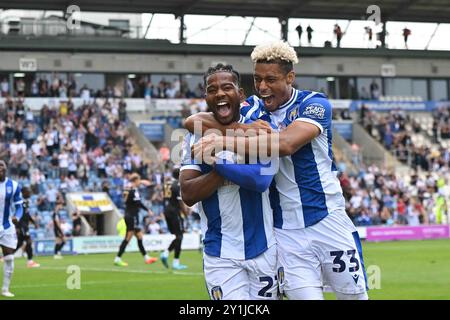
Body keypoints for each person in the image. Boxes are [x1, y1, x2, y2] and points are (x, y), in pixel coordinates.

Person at [185, 41, 368, 300]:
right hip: (285, 233)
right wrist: (244, 130)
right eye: (258, 79)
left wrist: (223, 141)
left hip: (327, 220)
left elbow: (286, 143)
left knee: (353, 298)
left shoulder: (314, 104)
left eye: (271, 79)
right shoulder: (254, 109)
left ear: (290, 77)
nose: (262, 87)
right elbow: (193, 121)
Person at [180, 64, 278, 300]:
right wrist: (223, 170)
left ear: (240, 95)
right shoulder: (194, 135)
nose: (220, 94)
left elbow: (260, 180)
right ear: (206, 97)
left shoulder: (260, 127)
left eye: (227, 87)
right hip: (220, 253)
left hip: (264, 248)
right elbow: (188, 193)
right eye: (212, 90)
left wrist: (216, 160)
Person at [114, 173, 158, 267]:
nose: (139, 183)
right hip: (132, 216)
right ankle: (117, 259)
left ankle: (146, 258)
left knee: (139, 237)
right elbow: (138, 203)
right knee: (128, 238)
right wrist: (148, 210)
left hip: (128, 214)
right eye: (138, 181)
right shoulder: (134, 190)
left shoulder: (127, 188)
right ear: (135, 181)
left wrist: (141, 181)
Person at [0, 160, 24, 297]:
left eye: (1, 165)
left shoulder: (13, 186)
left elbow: (20, 206)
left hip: (7, 226)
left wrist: (18, 217)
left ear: (6, 168)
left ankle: (5, 289)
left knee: (9, 258)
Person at [160, 168, 190, 270]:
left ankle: (171, 258)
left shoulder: (166, 184)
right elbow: (180, 202)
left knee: (178, 236)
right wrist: (186, 215)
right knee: (180, 236)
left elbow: (164, 198)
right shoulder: (177, 184)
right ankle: (169, 257)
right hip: (174, 212)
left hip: (166, 211)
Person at [13, 186, 40, 268]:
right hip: (22, 226)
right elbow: (18, 215)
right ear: (24, 193)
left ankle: (6, 255)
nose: (30, 193)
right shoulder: (21, 202)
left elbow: (27, 215)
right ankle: (30, 262)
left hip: (25, 225)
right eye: (28, 191)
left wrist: (34, 222)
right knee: (29, 241)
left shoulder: (26, 203)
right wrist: (17, 227)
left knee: (19, 243)